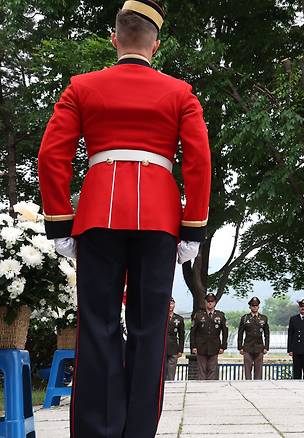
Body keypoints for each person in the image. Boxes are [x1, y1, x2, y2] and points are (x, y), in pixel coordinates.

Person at [37, 1, 211, 435]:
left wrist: (60, 221)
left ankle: (97, 430)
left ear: (115, 40)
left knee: (97, 327)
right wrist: (193, 226)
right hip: (159, 221)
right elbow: (199, 161)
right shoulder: (179, 92)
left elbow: (50, 156)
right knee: (150, 330)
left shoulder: (81, 86)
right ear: (156, 44)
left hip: (98, 216)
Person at [190, 293, 228, 380]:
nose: (210, 303)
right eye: (208, 301)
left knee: (212, 370)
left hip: (215, 346)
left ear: (215, 303)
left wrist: (223, 346)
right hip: (201, 346)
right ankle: (201, 390)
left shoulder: (220, 315)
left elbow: (225, 332)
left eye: (212, 301)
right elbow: (193, 332)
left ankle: (211, 390)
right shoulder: (199, 315)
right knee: (201, 370)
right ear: (205, 302)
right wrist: (193, 346)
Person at [238, 297, 270, 380]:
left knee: (258, 371)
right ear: (250, 307)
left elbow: (267, 333)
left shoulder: (263, 318)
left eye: (256, 306)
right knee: (247, 371)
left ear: (258, 306)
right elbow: (240, 333)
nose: (254, 307)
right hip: (247, 347)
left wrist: (266, 347)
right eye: (253, 306)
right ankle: (247, 387)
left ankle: (257, 388)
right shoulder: (245, 318)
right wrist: (240, 347)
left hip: (259, 347)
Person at [165, 298, 185, 381]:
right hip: (163, 347)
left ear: (174, 305)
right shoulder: (162, 317)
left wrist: (180, 350)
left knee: (171, 371)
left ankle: (170, 385)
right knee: (163, 370)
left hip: (173, 347)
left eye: (172, 303)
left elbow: (181, 336)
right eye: (169, 303)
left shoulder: (179, 319)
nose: (170, 306)